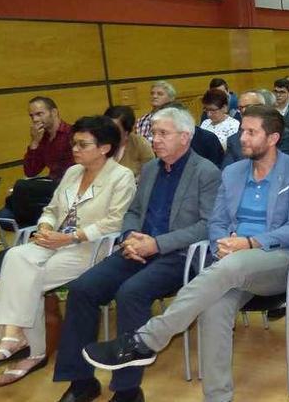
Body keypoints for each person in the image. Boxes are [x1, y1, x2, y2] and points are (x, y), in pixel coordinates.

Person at [80, 106, 289, 402]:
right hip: (229, 261)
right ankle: (217, 397)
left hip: (277, 259)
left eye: (250, 132)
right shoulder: (232, 172)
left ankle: (145, 340)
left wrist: (249, 243)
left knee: (230, 268)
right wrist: (223, 244)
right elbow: (216, 222)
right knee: (213, 308)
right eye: (242, 130)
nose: (241, 137)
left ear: (272, 138)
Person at [53, 107, 220, 402]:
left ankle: (127, 390)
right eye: (153, 133)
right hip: (137, 248)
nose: (155, 139)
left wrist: (157, 244)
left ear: (184, 137)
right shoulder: (152, 168)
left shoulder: (205, 172)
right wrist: (130, 236)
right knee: (82, 289)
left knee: (131, 292)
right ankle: (81, 382)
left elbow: (208, 226)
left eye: (162, 133)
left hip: (177, 255)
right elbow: (132, 211)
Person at [0, 116, 136, 386]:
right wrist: (44, 227)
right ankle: (17, 337)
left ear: (104, 148)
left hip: (91, 247)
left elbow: (115, 221)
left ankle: (26, 347)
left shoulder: (121, 177)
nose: (75, 149)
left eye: (82, 144)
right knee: (16, 257)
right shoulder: (73, 172)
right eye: (74, 143)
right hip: (55, 241)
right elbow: (51, 210)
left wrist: (70, 238)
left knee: (28, 279)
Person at [24, 96, 74, 182]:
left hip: (71, 183)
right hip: (54, 183)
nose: (35, 119)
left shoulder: (71, 133)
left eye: (39, 114)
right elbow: (31, 172)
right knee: (19, 188)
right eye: (32, 116)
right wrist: (35, 142)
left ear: (54, 112)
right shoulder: (42, 137)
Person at [104, 106, 154, 180]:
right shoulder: (99, 144)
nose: (109, 132)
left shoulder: (140, 144)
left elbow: (151, 174)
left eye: (114, 128)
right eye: (107, 127)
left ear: (126, 131)